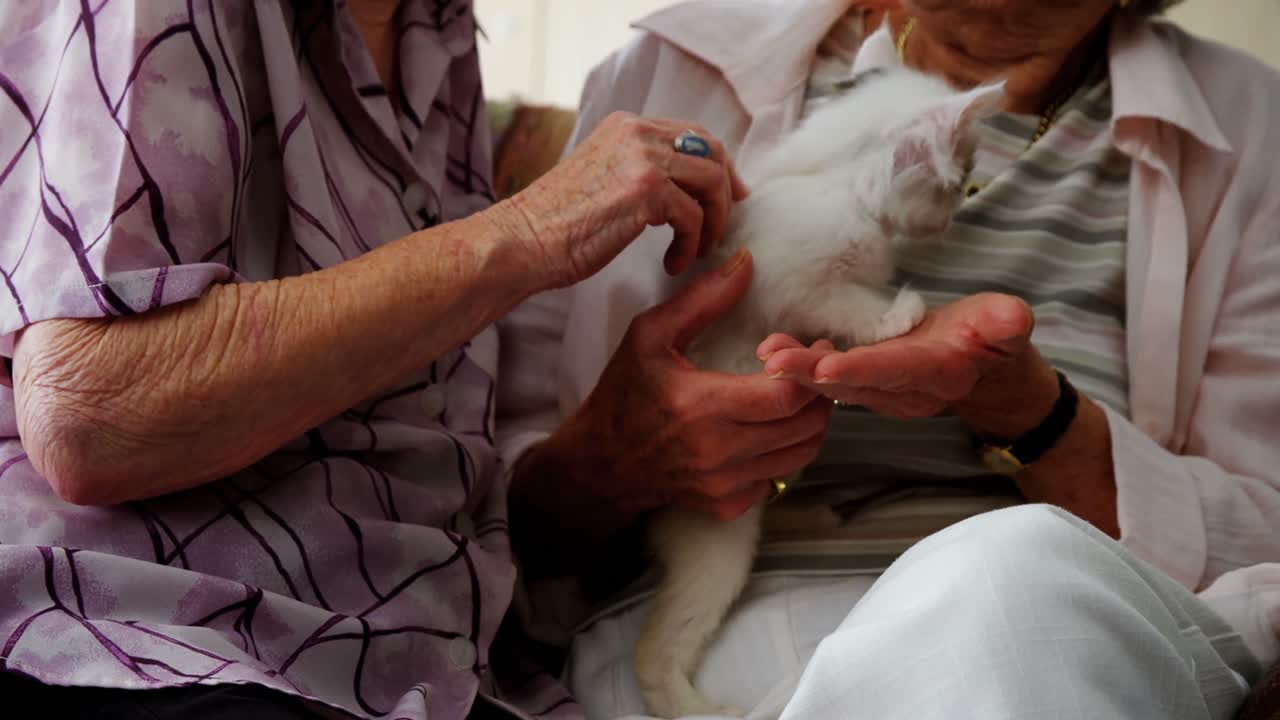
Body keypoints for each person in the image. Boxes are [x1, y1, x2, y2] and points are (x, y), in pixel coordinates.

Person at [496, 0, 1280, 717]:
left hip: (1050, 629)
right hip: (735, 630)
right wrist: (616, 459)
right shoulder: (672, 64)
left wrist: (1032, 415)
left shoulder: (1249, 125)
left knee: (1010, 581)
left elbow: (1263, 539)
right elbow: (488, 506)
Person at [0, 1, 758, 718]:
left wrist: (609, 455)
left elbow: (424, 481)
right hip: (140, 644)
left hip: (423, 670)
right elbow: (86, 414)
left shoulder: (437, 32)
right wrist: (528, 230)